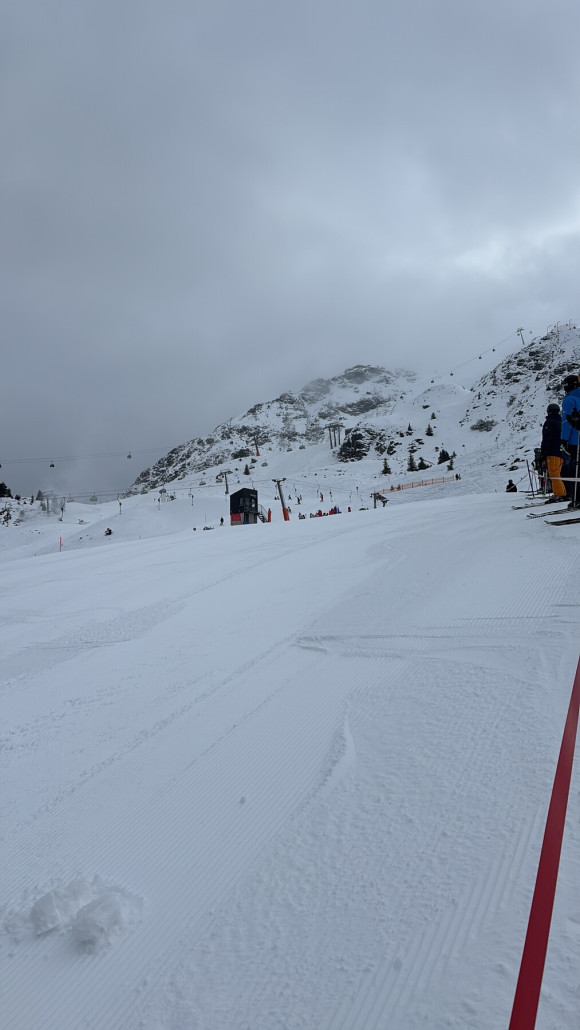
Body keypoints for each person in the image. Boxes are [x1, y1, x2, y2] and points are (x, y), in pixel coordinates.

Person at [561, 373, 580, 507]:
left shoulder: (570, 399)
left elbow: (566, 423)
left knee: (575, 470)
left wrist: (563, 440)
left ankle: (577, 499)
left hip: (575, 440)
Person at [540, 402, 566, 499]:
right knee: (558, 473)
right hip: (561, 452)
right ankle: (562, 492)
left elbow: (547, 439)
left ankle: (559, 494)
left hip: (552, 452)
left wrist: (543, 453)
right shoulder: (561, 422)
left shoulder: (549, 423)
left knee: (554, 473)